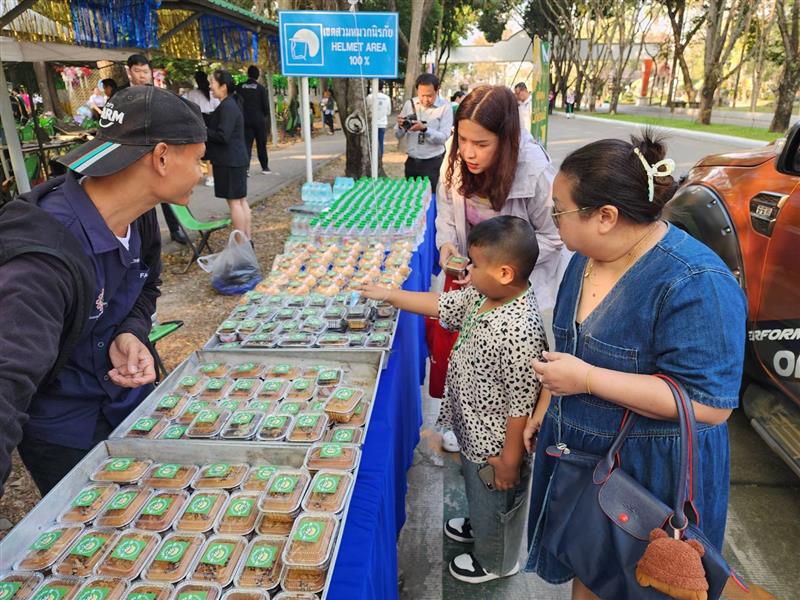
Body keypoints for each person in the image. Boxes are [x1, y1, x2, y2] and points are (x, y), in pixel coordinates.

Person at [523, 131, 747, 599]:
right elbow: (572, 347)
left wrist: (585, 379)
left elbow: (707, 404)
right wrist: (549, 402)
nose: (551, 219)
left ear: (605, 216)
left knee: (638, 587)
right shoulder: (585, 259)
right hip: (583, 462)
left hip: (649, 476)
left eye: (559, 209)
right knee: (588, 570)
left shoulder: (695, 281)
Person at [0, 86, 207, 496]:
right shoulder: (43, 258)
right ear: (161, 157)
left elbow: (145, 287)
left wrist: (129, 331)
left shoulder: (140, 215)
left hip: (130, 406)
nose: (203, 173)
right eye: (199, 159)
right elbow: (7, 381)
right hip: (65, 433)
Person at [360, 216, 546, 584]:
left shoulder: (521, 329)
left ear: (506, 272)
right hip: (474, 430)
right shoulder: (483, 295)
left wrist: (510, 460)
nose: (467, 270)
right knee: (479, 491)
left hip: (497, 444)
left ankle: (496, 560)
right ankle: (480, 523)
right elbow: (441, 304)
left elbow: (520, 406)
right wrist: (391, 295)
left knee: (499, 500)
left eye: (475, 264)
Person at [116, 53, 189, 245]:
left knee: (166, 195)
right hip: (133, 156)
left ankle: (175, 229)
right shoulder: (122, 97)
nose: (142, 76)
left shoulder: (159, 95)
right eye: (137, 71)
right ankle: (141, 240)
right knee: (140, 201)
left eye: (145, 71)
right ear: (129, 71)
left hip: (159, 154)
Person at [207, 69, 251, 239]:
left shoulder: (227, 106)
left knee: (235, 203)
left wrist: (206, 131)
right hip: (236, 159)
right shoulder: (231, 104)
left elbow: (222, 135)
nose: (210, 87)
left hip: (229, 160)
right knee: (241, 201)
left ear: (223, 87)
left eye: (213, 83)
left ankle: (241, 243)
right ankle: (247, 240)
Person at [395, 73, 453, 193]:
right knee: (411, 199)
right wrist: (402, 126)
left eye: (430, 96)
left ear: (437, 91)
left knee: (431, 199)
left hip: (433, 163)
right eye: (422, 95)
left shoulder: (445, 107)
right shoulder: (409, 104)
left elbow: (444, 138)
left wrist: (425, 129)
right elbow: (398, 134)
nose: (425, 100)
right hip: (411, 163)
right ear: (417, 91)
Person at [183, 70, 220, 187]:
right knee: (210, 150)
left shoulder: (191, 93)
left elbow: (182, 104)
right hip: (210, 121)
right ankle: (211, 177)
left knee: (195, 150)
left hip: (196, 121)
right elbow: (217, 107)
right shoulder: (211, 93)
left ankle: (195, 176)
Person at [237, 65, 274, 175]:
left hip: (244, 119)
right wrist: (264, 116)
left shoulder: (240, 87)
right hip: (259, 120)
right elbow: (265, 106)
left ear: (247, 74)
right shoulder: (261, 89)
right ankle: (265, 167)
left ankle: (246, 168)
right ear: (257, 76)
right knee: (261, 144)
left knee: (246, 145)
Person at [366, 82, 391, 159]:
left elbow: (366, 110)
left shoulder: (369, 97)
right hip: (382, 123)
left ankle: (372, 158)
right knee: (380, 143)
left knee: (371, 142)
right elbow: (388, 112)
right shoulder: (386, 98)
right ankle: (380, 159)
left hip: (372, 123)